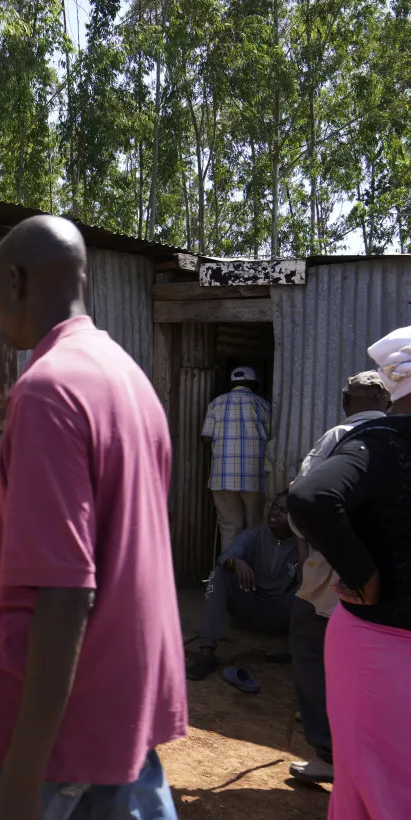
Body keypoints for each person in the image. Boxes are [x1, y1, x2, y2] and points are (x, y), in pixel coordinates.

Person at [0, 216, 185, 820]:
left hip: (25, 732)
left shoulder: (48, 390)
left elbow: (66, 592)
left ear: (14, 281)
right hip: (123, 719)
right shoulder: (134, 384)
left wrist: (22, 779)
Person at [288, 326, 411, 820]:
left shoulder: (361, 438)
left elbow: (307, 499)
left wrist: (358, 569)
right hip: (356, 590)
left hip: (354, 594)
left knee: (374, 780)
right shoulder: (373, 438)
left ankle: (324, 754)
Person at [286, 371, 389, 785]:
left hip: (334, 578)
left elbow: (302, 504)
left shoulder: (338, 438)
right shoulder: (397, 436)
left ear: (347, 401)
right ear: (384, 401)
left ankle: (328, 752)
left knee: (312, 654)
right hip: (388, 579)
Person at [185, 492, 300, 681]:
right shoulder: (254, 534)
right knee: (219, 573)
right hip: (249, 607)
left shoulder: (300, 545)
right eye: (274, 507)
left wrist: (302, 541)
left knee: (307, 589)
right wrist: (235, 561)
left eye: (284, 511)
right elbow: (225, 558)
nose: (275, 513)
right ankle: (206, 653)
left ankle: (294, 651)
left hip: (279, 615)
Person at [202, 366, 272, 552]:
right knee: (255, 527)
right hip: (254, 477)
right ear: (253, 384)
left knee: (229, 527)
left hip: (222, 476)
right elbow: (272, 436)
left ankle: (229, 573)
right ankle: (251, 574)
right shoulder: (263, 405)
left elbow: (206, 437)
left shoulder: (216, 403)